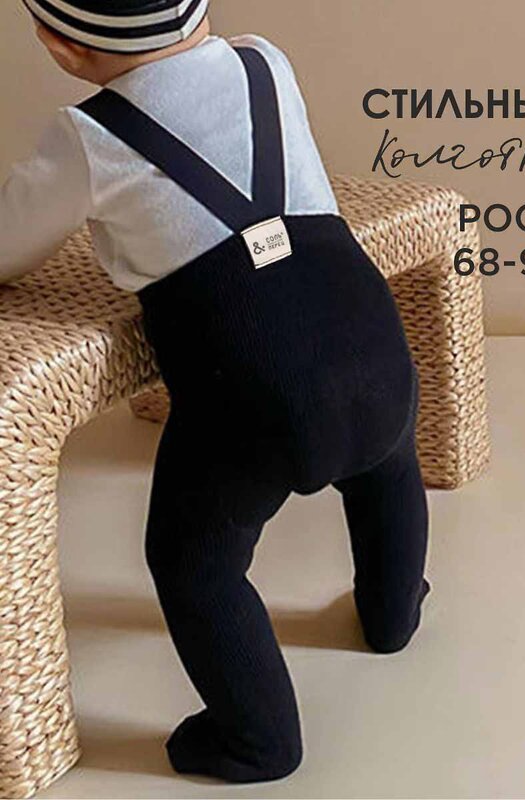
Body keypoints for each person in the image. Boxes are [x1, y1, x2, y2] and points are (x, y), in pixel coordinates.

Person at [1, 0, 431, 783]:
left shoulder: (86, 136)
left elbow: (10, 245)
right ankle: (393, 614)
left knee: (195, 563)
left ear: (61, 49)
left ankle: (258, 738)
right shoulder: (266, 63)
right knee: (387, 468)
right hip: (371, 340)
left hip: (250, 398)